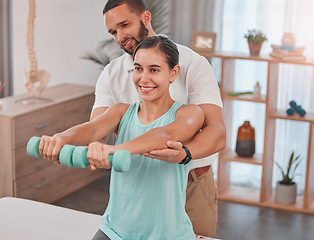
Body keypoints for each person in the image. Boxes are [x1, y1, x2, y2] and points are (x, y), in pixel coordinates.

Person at [39, 36, 204, 239]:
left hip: (167, 234)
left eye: (154, 70)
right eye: (138, 68)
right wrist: (61, 138)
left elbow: (165, 134)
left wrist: (115, 150)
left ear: (173, 73)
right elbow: (92, 128)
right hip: (115, 230)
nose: (144, 78)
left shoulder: (189, 113)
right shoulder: (120, 111)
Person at [92, 0, 226, 237]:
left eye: (124, 25)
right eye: (113, 31)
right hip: (136, 185)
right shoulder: (111, 74)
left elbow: (216, 133)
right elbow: (97, 127)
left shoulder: (192, 63)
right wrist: (93, 147)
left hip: (191, 183)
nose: (120, 36)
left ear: (146, 17)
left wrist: (184, 154)